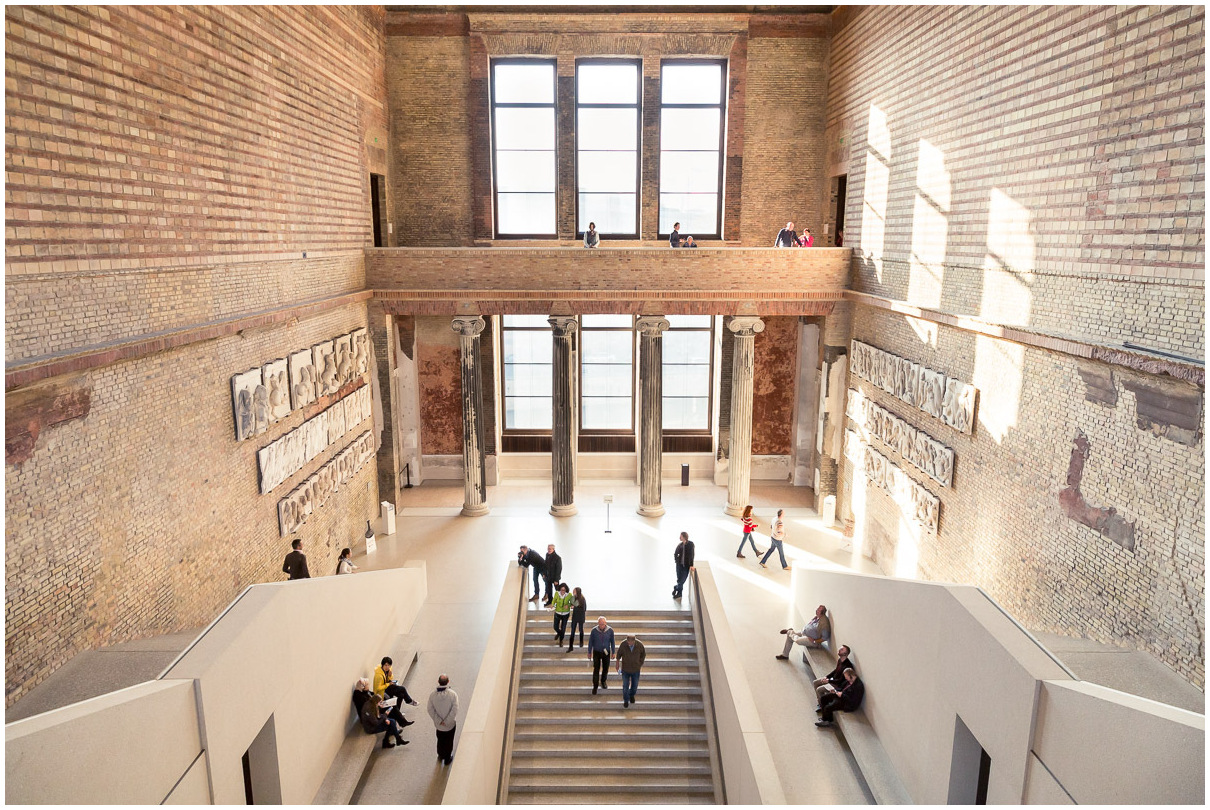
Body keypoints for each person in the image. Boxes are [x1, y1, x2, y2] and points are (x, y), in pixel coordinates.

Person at [355, 677, 408, 749]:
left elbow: (373, 696)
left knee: (391, 718)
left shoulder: (370, 703)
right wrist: (385, 716)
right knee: (391, 722)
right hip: (371, 727)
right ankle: (394, 739)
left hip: (374, 720)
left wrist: (384, 717)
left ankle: (395, 739)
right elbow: (375, 722)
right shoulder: (367, 707)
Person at [374, 656, 420, 726]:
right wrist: (388, 684)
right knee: (395, 701)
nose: (387, 667)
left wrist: (390, 675)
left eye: (389, 665)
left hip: (386, 687)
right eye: (386, 665)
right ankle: (407, 704)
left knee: (401, 694)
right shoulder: (378, 676)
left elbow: (389, 678)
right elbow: (377, 688)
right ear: (382, 665)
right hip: (381, 694)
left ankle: (399, 714)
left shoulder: (389, 669)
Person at [426, 674, 459, 765]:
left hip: (439, 726)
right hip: (450, 725)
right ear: (448, 682)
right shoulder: (453, 694)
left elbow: (430, 709)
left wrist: (439, 721)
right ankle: (447, 758)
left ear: (438, 681)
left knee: (440, 740)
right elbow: (455, 709)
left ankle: (440, 755)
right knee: (449, 741)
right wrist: (447, 721)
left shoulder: (432, 695)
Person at [615, 633, 646, 708]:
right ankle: (626, 700)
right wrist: (617, 664)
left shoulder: (639, 645)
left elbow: (643, 655)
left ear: (634, 642)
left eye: (630, 643)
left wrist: (639, 663)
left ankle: (631, 695)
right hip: (625, 669)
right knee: (625, 686)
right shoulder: (623, 644)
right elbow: (618, 655)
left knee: (634, 686)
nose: (629, 644)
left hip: (636, 669)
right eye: (628, 642)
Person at [588, 616, 615, 694]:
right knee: (596, 669)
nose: (601, 626)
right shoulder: (594, 631)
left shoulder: (610, 631)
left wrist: (613, 652)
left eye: (603, 624)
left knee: (605, 668)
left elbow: (612, 642)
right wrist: (589, 652)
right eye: (600, 624)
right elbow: (590, 642)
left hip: (606, 652)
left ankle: (603, 681)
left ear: (605, 623)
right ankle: (595, 686)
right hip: (596, 652)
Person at [672, 531, 694, 599]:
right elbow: (675, 553)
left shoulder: (691, 544)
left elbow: (692, 555)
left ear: (684, 537)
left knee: (682, 580)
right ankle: (679, 594)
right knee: (679, 580)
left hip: (686, 566)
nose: (679, 538)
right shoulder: (680, 545)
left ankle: (676, 587)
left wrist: (691, 565)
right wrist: (676, 560)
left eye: (680, 536)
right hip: (679, 565)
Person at [566, 586, 587, 653]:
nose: (573, 593)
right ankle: (570, 646)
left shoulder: (582, 599)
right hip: (575, 617)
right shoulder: (574, 598)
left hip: (580, 617)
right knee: (572, 632)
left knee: (581, 630)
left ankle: (581, 642)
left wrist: (574, 607)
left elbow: (584, 609)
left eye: (574, 591)